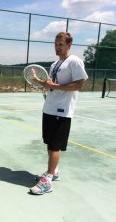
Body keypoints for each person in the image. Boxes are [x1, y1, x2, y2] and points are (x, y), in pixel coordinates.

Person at [30, 32, 88, 195]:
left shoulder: (74, 62)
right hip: (49, 108)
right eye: (55, 44)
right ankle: (53, 172)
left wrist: (54, 87)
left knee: (55, 147)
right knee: (49, 144)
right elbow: (51, 84)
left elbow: (78, 85)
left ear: (69, 45)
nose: (57, 47)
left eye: (61, 44)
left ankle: (47, 180)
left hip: (62, 111)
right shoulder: (56, 63)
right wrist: (39, 81)